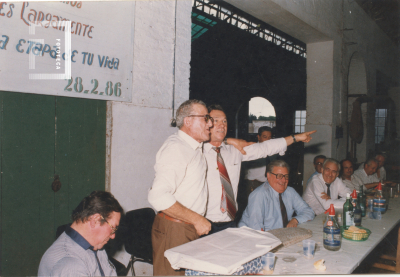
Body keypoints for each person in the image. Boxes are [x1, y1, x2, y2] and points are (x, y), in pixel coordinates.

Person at [147, 100, 250, 276]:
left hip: (189, 227)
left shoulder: (194, 146)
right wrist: (196, 219)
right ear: (188, 121)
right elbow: (158, 196)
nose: (210, 124)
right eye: (206, 119)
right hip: (175, 228)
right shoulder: (176, 148)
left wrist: (231, 140)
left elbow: (219, 141)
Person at [204, 105, 316, 233]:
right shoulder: (197, 152)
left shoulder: (236, 150)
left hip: (229, 221)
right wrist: (227, 140)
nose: (222, 125)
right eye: (216, 120)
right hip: (203, 221)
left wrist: (295, 138)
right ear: (205, 123)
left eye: (224, 121)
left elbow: (265, 148)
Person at [38, 191, 123, 276]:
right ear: (95, 220)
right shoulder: (71, 267)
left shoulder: (95, 246)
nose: (113, 235)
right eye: (113, 228)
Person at [238, 160, 315, 231]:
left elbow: (309, 211)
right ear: (269, 176)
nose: (284, 180)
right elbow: (256, 229)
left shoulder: (290, 192)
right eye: (279, 176)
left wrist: (295, 220)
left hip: (281, 235)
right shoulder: (259, 195)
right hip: (252, 237)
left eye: (286, 176)